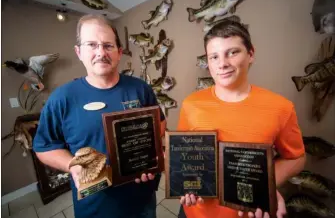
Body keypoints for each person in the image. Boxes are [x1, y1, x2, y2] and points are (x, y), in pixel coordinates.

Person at [32, 14, 166, 218]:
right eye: (92, 45)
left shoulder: (140, 89)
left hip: (142, 202)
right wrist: (73, 166)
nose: (100, 52)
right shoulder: (61, 98)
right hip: (95, 207)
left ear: (119, 52)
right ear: (79, 52)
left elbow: (160, 125)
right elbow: (44, 147)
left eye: (108, 45)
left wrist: (151, 156)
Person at [177, 20, 306, 218]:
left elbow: (297, 157)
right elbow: (183, 154)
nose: (222, 64)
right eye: (214, 56)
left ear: (251, 54)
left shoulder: (281, 107)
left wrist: (266, 184)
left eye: (233, 52)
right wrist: (183, 179)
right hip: (194, 212)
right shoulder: (190, 104)